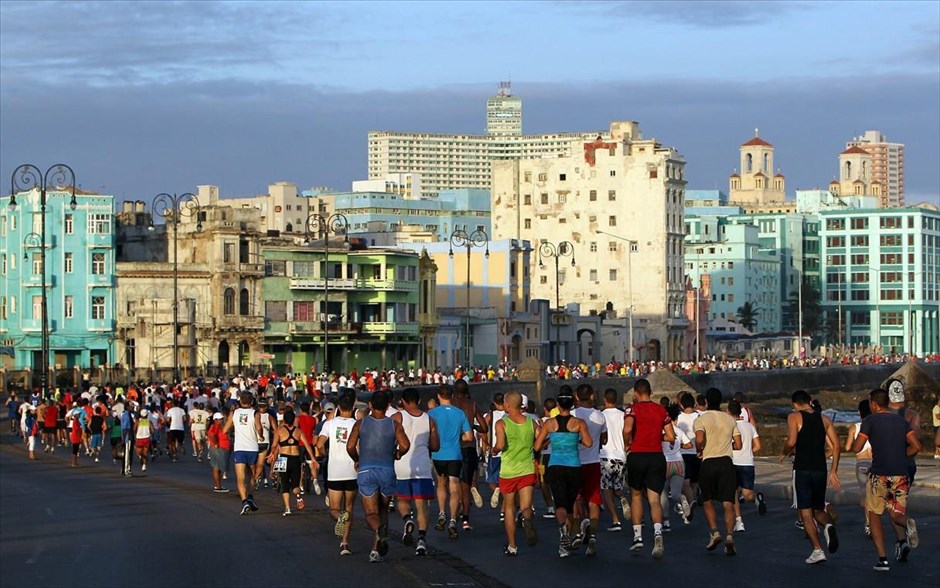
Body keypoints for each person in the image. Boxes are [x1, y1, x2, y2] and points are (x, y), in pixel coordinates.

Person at [852, 388, 921, 571]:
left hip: (879, 474)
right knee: (896, 514)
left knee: (874, 515)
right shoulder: (901, 421)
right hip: (900, 474)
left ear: (874, 404)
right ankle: (907, 522)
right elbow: (916, 446)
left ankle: (882, 560)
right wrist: (902, 456)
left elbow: (857, 447)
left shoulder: (870, 420)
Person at [346, 390, 411, 563]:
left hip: (367, 471)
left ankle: (378, 531)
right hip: (387, 471)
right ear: (388, 406)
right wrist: (397, 454)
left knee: (371, 515)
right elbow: (405, 445)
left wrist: (357, 459)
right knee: (383, 511)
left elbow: (350, 446)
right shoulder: (394, 424)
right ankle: (376, 550)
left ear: (370, 405)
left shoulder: (361, 423)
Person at [780, 390, 841, 565]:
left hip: (803, 469)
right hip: (820, 470)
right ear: (810, 401)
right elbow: (836, 446)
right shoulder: (825, 419)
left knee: (806, 513)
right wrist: (834, 471)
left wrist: (784, 452)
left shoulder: (794, 417)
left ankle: (817, 550)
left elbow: (791, 441)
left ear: (795, 404)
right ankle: (828, 526)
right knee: (818, 509)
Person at [534, 389, 591, 558]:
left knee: (559, 502)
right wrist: (577, 439)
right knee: (570, 503)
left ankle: (563, 533)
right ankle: (567, 534)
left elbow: (537, 447)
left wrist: (551, 439)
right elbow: (588, 443)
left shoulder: (549, 423)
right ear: (572, 404)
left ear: (558, 405)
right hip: (574, 465)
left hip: (556, 465)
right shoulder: (579, 423)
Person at [624, 378, 676, 559]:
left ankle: (638, 537)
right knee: (655, 499)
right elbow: (671, 436)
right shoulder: (661, 410)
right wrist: (656, 436)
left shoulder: (632, 409)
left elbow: (627, 429)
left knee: (636, 495)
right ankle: (658, 534)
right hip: (656, 456)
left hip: (637, 455)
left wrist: (627, 443)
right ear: (650, 392)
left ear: (636, 393)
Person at [693, 388, 743, 556]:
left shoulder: (702, 419)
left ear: (706, 402)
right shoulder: (729, 419)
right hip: (726, 462)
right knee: (728, 502)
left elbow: (699, 440)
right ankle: (729, 536)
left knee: (707, 500)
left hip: (709, 462)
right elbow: (739, 444)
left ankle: (715, 532)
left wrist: (699, 449)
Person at [393, 388, 440, 556]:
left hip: (402, 465)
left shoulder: (397, 417)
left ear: (403, 401)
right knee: (422, 506)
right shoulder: (429, 419)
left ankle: (407, 519)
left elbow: (389, 439)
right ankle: (421, 541)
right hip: (422, 466)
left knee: (403, 500)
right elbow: (435, 446)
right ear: (418, 400)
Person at [492, 391, 539, 556]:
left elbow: (500, 444)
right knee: (526, 506)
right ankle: (527, 519)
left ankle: (512, 546)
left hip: (509, 471)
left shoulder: (501, 423)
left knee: (510, 508)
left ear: (508, 405)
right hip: (527, 469)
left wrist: (494, 450)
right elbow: (541, 441)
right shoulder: (532, 423)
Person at [317, 393, 360, 555]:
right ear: (353, 408)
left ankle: (339, 517)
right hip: (352, 471)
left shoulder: (330, 424)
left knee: (334, 509)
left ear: (339, 408)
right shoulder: (357, 424)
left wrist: (325, 454)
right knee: (349, 507)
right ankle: (345, 543)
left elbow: (319, 444)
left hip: (335, 471)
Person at [429, 384, 473, 539]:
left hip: (438, 454)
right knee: (454, 488)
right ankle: (453, 520)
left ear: (438, 396)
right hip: (455, 454)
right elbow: (469, 437)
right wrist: (457, 438)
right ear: (451, 396)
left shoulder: (432, 413)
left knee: (441, 484)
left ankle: (442, 513)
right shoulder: (460, 413)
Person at [571, 383, 607, 556]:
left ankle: (579, 528)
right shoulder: (600, 416)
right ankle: (592, 535)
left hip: (575, 461)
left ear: (577, 396)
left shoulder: (572, 415)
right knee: (594, 500)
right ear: (592, 396)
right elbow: (604, 440)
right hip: (593, 461)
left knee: (577, 498)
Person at [267, 407, 317, 516]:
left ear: (284, 420)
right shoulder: (298, 431)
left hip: (283, 458)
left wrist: (271, 453)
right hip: (295, 458)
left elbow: (274, 445)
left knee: (285, 484)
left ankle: (287, 508)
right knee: (295, 484)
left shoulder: (279, 431)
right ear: (294, 419)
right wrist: (313, 458)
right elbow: (307, 446)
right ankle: (298, 497)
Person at [453, 379, 488, 531]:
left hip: (453, 447)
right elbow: (485, 428)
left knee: (453, 484)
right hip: (469, 447)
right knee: (466, 485)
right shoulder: (472, 404)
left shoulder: (450, 405)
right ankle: (466, 519)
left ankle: (453, 515)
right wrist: (472, 425)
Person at [224, 392, 263, 515]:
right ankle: (250, 496)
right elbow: (259, 428)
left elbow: (225, 430)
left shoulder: (235, 413)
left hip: (239, 448)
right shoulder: (255, 413)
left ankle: (244, 501)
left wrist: (234, 430)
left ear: (240, 401)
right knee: (251, 475)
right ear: (251, 401)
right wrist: (260, 436)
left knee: (240, 478)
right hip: (252, 448)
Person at [599, 388, 629, 532]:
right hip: (621, 456)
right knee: (617, 487)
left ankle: (615, 520)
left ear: (605, 399)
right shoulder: (624, 415)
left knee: (606, 488)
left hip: (606, 455)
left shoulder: (600, 416)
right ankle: (622, 498)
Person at [729, 399, 761, 532]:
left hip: (733, 462)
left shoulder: (730, 426)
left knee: (733, 494)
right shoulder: (750, 426)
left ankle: (739, 521)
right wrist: (748, 452)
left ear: (730, 412)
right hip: (748, 463)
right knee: (747, 495)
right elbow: (758, 446)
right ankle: (757, 499)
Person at [845, 399, 873, 537]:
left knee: (865, 494)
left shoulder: (854, 427)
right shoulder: (876, 425)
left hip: (861, 463)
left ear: (859, 412)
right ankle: (873, 519)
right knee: (874, 493)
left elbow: (848, 447)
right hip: (875, 462)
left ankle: (868, 523)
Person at [483, 393, 506, 511]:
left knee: (492, 480)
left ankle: (497, 490)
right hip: (508, 452)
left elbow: (482, 428)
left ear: (495, 403)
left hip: (495, 450)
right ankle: (504, 502)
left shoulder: (490, 415)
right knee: (506, 479)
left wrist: (485, 442)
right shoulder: (510, 414)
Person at [254, 400, 277, 489]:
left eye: (263, 407)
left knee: (258, 463)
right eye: (260, 406)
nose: (261, 408)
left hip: (260, 442)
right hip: (262, 442)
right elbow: (275, 430)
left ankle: (255, 479)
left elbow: (275, 431)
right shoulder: (269, 416)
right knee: (259, 463)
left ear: (266, 407)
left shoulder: (258, 415)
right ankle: (256, 478)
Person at [207, 411, 231, 492]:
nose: (221, 420)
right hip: (217, 449)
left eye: (222, 419)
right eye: (220, 419)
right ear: (215, 420)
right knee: (217, 467)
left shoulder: (220, 426)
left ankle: (218, 485)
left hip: (222, 448)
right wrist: (216, 443)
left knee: (219, 468)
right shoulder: (215, 426)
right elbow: (212, 435)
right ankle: (218, 486)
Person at [164, 397, 187, 462]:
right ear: (178, 404)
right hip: (180, 428)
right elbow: (185, 419)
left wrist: (170, 423)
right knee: (180, 440)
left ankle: (174, 455)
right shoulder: (182, 410)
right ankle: (182, 446)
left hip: (173, 427)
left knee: (173, 442)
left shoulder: (170, 410)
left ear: (173, 404)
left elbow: (168, 419)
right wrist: (181, 422)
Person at [134, 408, 152, 472]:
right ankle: (144, 466)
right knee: (145, 453)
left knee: (138, 452)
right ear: (147, 415)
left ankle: (140, 457)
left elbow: (134, 429)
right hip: (146, 438)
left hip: (139, 438)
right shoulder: (148, 421)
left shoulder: (138, 421)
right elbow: (152, 430)